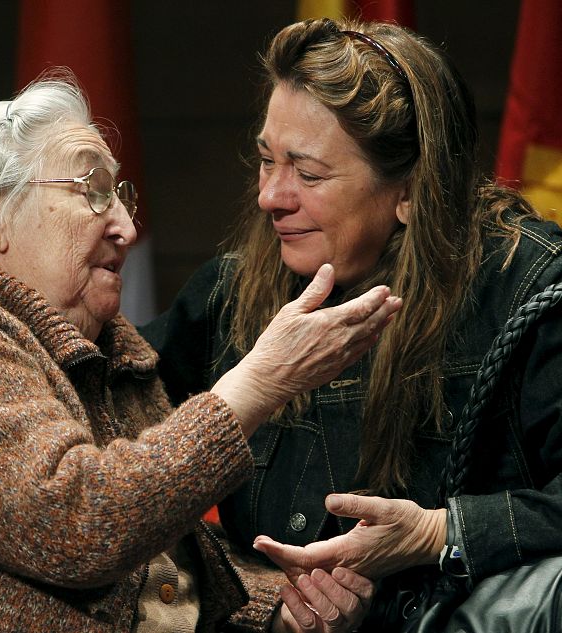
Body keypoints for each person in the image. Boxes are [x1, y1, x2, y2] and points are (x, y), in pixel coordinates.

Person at [0, 73, 400, 632]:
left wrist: (279, 608)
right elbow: (77, 523)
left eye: (122, 195)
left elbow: (154, 568)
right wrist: (258, 383)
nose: (125, 226)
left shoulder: (105, 354)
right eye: (92, 190)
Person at [137, 16, 562, 631]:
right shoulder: (229, 296)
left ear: (411, 190)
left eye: (308, 174)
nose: (270, 197)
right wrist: (262, 596)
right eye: (266, 161)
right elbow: (120, 483)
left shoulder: (528, 289)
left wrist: (436, 534)